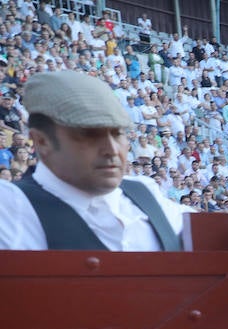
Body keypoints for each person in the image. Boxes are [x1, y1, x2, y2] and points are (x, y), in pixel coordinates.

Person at [0, 71, 190, 251]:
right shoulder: (10, 208)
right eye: (90, 135)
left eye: (118, 133)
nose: (112, 150)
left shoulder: (146, 192)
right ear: (42, 142)